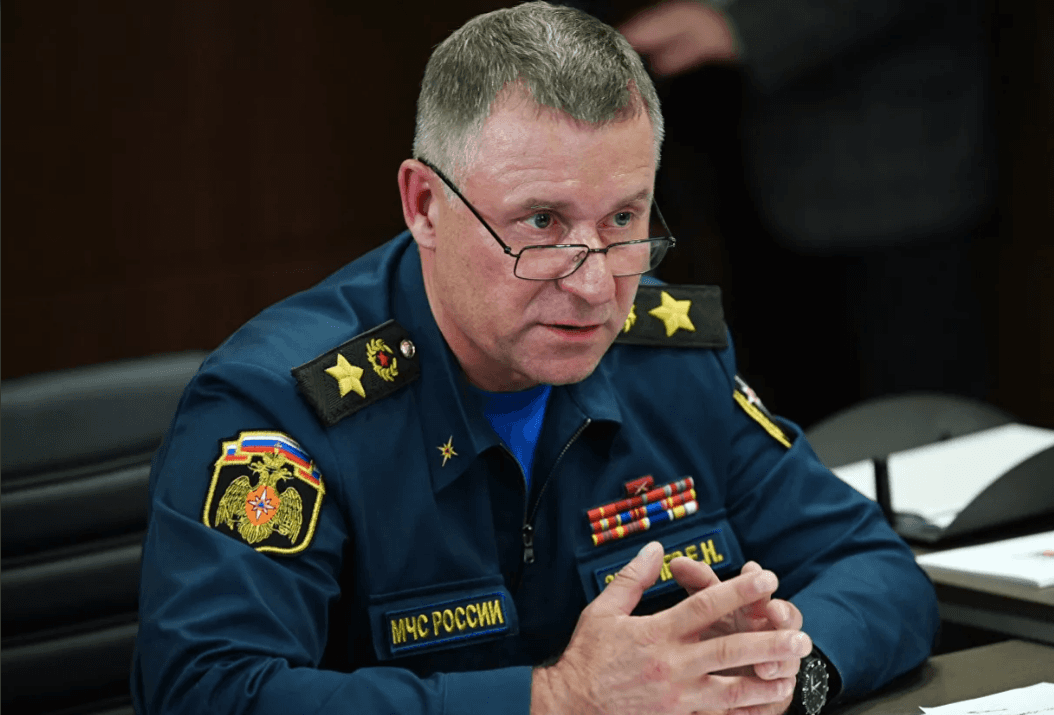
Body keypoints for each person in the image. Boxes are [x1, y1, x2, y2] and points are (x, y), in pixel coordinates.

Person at [131, 3, 938, 714]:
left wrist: (782, 679)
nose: (592, 285)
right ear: (424, 205)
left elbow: (870, 565)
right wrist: (554, 701)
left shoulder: (667, 356)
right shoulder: (282, 405)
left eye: (622, 218)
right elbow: (205, 689)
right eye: (542, 223)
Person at [620, 0, 996, 427]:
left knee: (916, 419)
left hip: (893, 170)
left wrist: (740, 25)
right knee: (794, 415)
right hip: (754, 167)